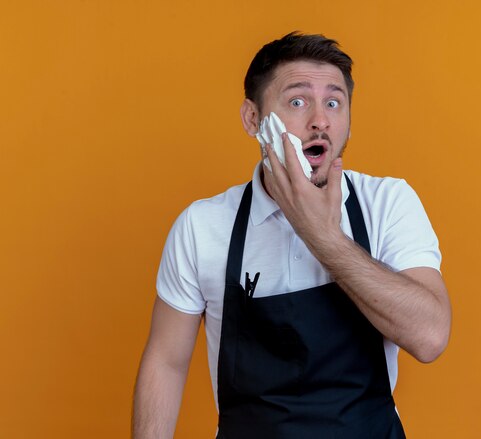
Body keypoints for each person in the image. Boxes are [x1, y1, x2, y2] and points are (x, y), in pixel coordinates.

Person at [132, 31, 451, 439]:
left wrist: (320, 234)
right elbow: (166, 362)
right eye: (297, 101)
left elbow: (429, 337)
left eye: (334, 102)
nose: (320, 119)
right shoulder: (202, 226)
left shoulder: (387, 202)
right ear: (253, 119)